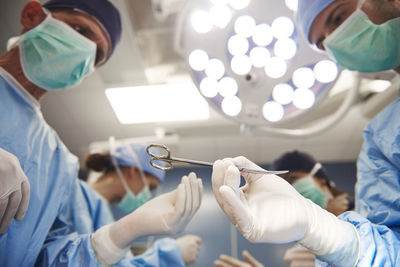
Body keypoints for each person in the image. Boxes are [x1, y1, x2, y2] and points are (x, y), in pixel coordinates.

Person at [0, 0, 203, 266]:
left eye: (96, 56)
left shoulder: (58, 161)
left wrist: (121, 233)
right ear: (32, 16)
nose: (83, 54)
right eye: (81, 31)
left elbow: (47, 260)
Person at [212, 0, 400, 266]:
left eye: (337, 18)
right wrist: (327, 234)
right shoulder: (382, 143)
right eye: (323, 44)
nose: (336, 41)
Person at [214, 150, 354, 267]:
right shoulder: (302, 238)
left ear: (321, 178)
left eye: (292, 179)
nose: (288, 190)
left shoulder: (365, 218)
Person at [85, 143, 202, 266]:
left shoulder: (103, 214)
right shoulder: (75, 199)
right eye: (151, 187)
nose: (148, 195)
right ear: (133, 171)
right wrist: (170, 255)